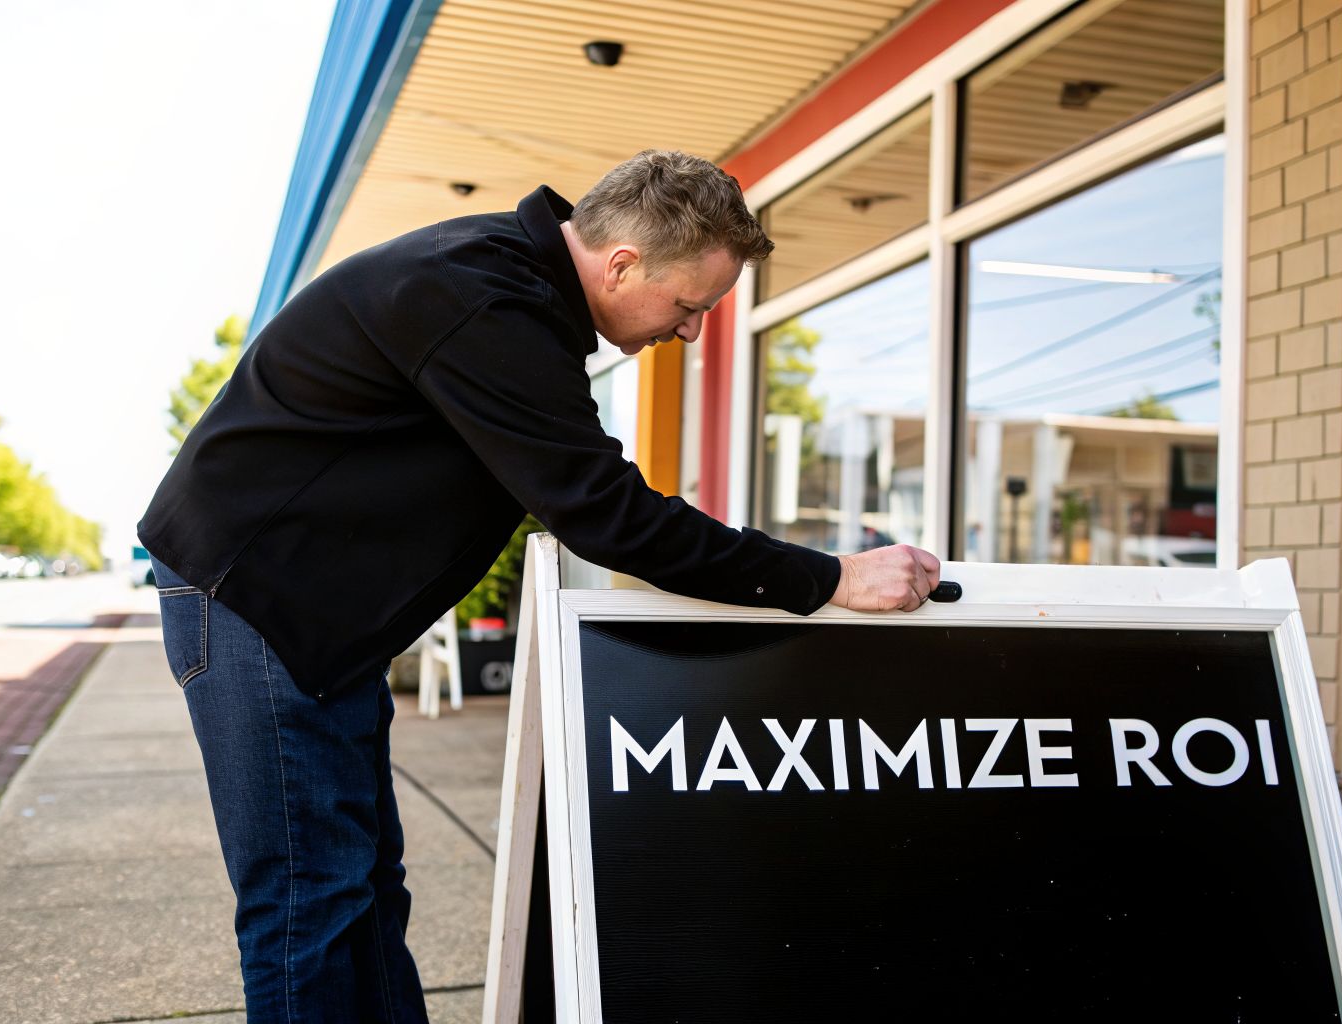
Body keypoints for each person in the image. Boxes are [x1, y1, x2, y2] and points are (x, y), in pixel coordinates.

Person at [138, 149, 941, 1022]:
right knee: (309, 905)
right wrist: (831, 576)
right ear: (623, 263)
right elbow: (605, 512)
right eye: (690, 306)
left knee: (361, 891)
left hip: (313, 615)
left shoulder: (512, 288)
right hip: (257, 601)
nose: (692, 332)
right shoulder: (481, 296)